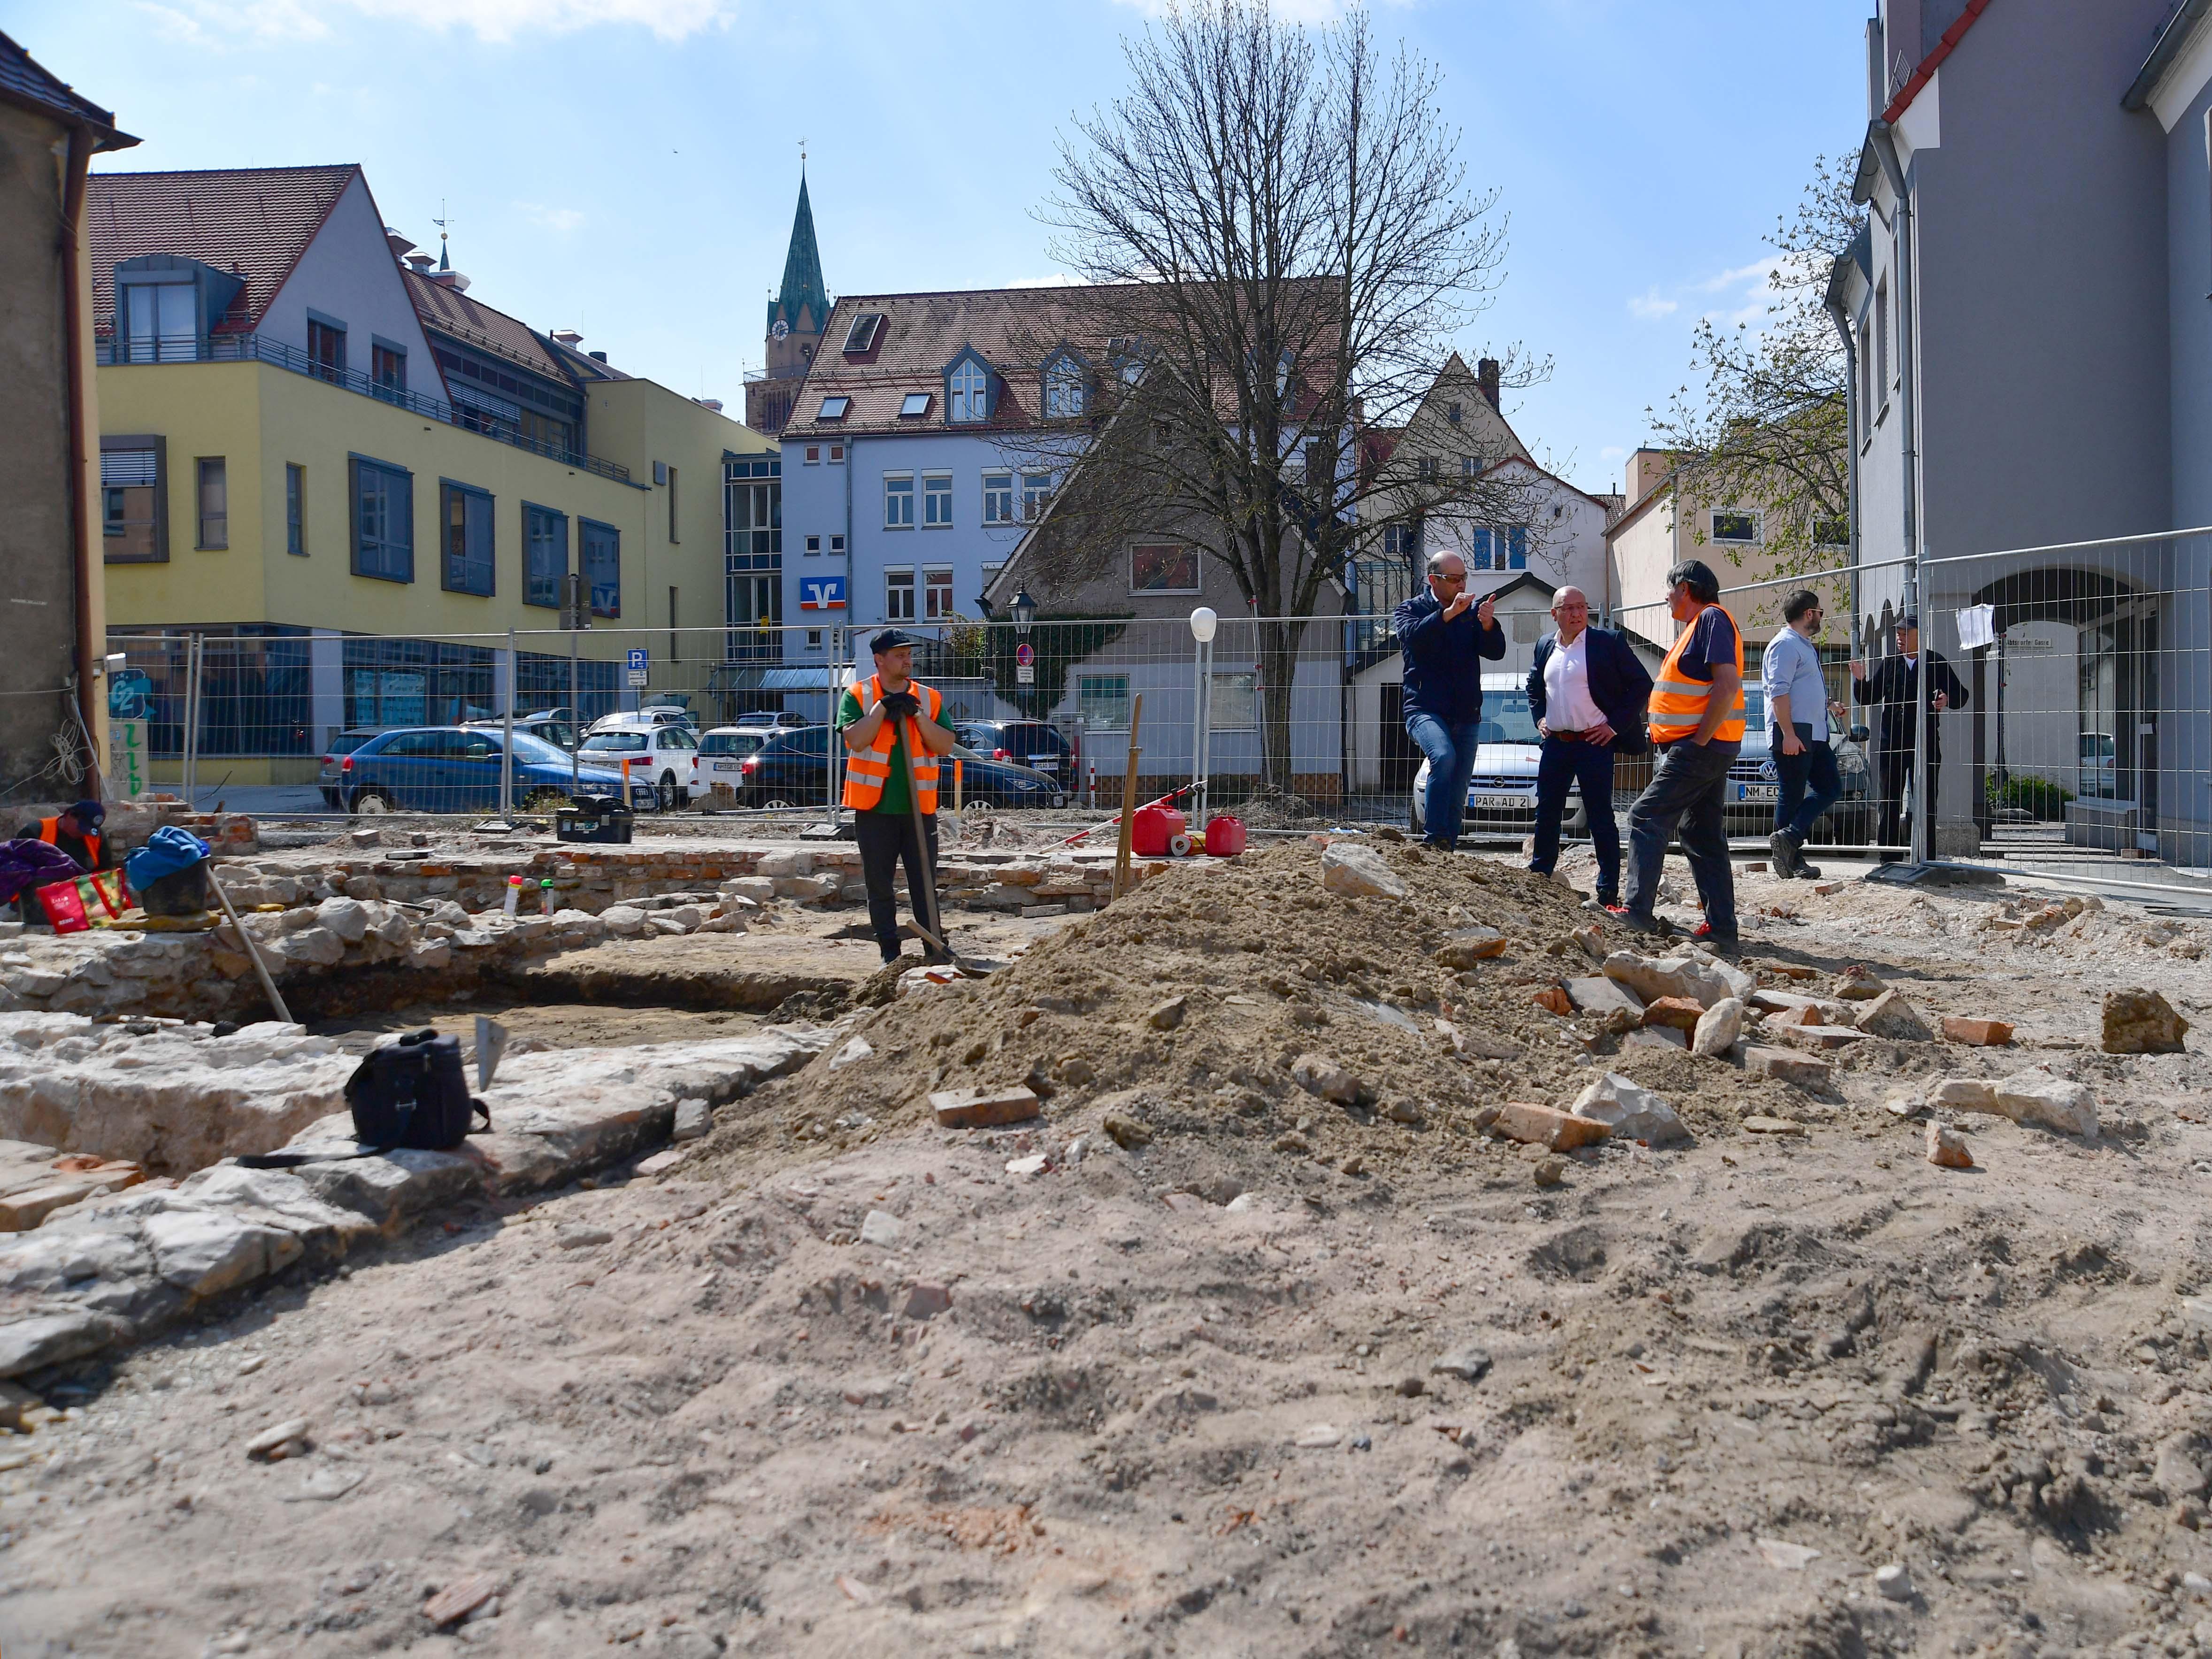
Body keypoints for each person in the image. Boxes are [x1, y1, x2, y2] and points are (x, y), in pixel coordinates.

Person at [1614, 559, 1744, 952]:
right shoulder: (1700, 626)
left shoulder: (1711, 620)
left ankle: (1637, 912)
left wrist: (1699, 740)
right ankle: (1722, 929)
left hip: (1699, 747)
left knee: (1645, 815)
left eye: (1669, 589)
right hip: (1705, 746)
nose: (1665, 597)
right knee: (1700, 833)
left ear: (1686, 588)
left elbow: (1727, 685)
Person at [1524, 585, 1653, 908]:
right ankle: (1541, 875)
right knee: (1547, 813)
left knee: (1600, 817)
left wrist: (1613, 726)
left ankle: (1607, 889)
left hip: (1594, 744)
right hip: (1556, 743)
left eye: (1582, 607)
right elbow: (1534, 687)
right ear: (1554, 614)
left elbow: (1641, 684)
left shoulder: (1606, 643)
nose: (1577, 614)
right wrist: (1539, 717)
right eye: (1568, 608)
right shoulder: (1545, 646)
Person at [837, 629, 958, 965]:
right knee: (880, 885)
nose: (908, 660)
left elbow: (945, 745)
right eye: (899, 655)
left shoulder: (929, 698)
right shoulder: (858, 695)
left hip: (920, 808)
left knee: (924, 886)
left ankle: (935, 949)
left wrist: (916, 715)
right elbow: (856, 740)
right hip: (874, 809)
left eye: (909, 654)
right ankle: (889, 952)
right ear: (879, 660)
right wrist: (881, 709)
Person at [1393, 549, 1503, 851]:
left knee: (1458, 790)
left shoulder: (1472, 613)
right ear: (1433, 580)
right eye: (1454, 578)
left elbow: (1496, 651)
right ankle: (1434, 839)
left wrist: (1488, 625)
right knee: (1442, 757)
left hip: (1466, 713)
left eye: (1464, 578)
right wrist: (1448, 614)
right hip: (1424, 709)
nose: (1460, 584)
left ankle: (1447, 849)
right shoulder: (1410, 609)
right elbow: (1413, 637)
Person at [1852, 613, 1968, 860]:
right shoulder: (1891, 662)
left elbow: (1962, 695)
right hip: (1892, 741)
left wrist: (1948, 700)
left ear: (1919, 636)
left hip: (1924, 741)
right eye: (1898, 634)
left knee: (1926, 799)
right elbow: (1868, 697)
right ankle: (1889, 854)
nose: (1900, 638)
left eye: (1906, 634)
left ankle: (1925, 854)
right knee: (1889, 797)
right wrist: (1861, 679)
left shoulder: (1935, 662)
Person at [1762, 591, 1843, 880]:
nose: (1822, 617)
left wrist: (1828, 704)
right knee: (1792, 795)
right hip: (1795, 733)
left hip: (1815, 733)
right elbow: (1779, 692)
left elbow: (1802, 690)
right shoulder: (1784, 646)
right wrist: (1788, 734)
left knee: (1831, 787)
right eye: (1820, 612)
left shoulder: (1803, 645)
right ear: (1810, 613)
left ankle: (1791, 837)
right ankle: (1790, 859)